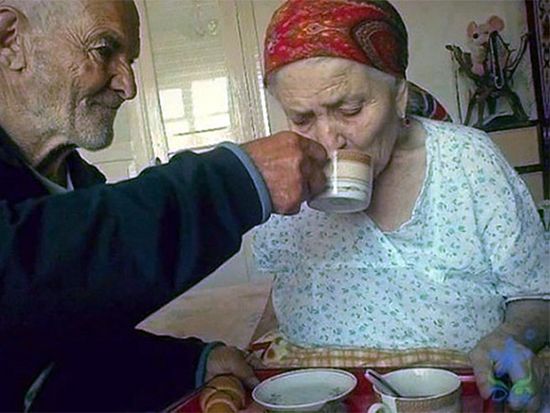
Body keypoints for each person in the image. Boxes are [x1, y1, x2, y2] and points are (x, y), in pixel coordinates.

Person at [0, 0, 328, 411]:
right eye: (104, 49)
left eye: (131, 61)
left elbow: (56, 347)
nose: (128, 86)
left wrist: (188, 365)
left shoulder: (80, 188)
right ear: (10, 40)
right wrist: (237, 181)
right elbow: (18, 272)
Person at [252, 0, 548, 411]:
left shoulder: (469, 161)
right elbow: (283, 294)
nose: (328, 141)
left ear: (399, 96)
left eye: (350, 109)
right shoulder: (286, 173)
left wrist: (514, 336)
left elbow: (537, 292)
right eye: (302, 119)